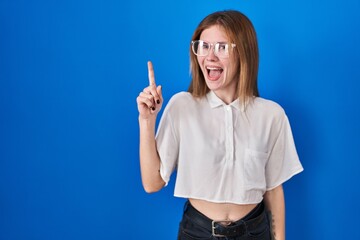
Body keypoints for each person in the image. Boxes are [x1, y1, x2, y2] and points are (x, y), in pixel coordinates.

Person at [136, 10, 303, 240]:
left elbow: (273, 191)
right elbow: (152, 183)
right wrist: (147, 120)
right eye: (203, 46)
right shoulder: (181, 106)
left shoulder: (271, 115)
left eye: (222, 47)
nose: (210, 56)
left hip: (254, 232)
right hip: (197, 232)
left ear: (243, 53)